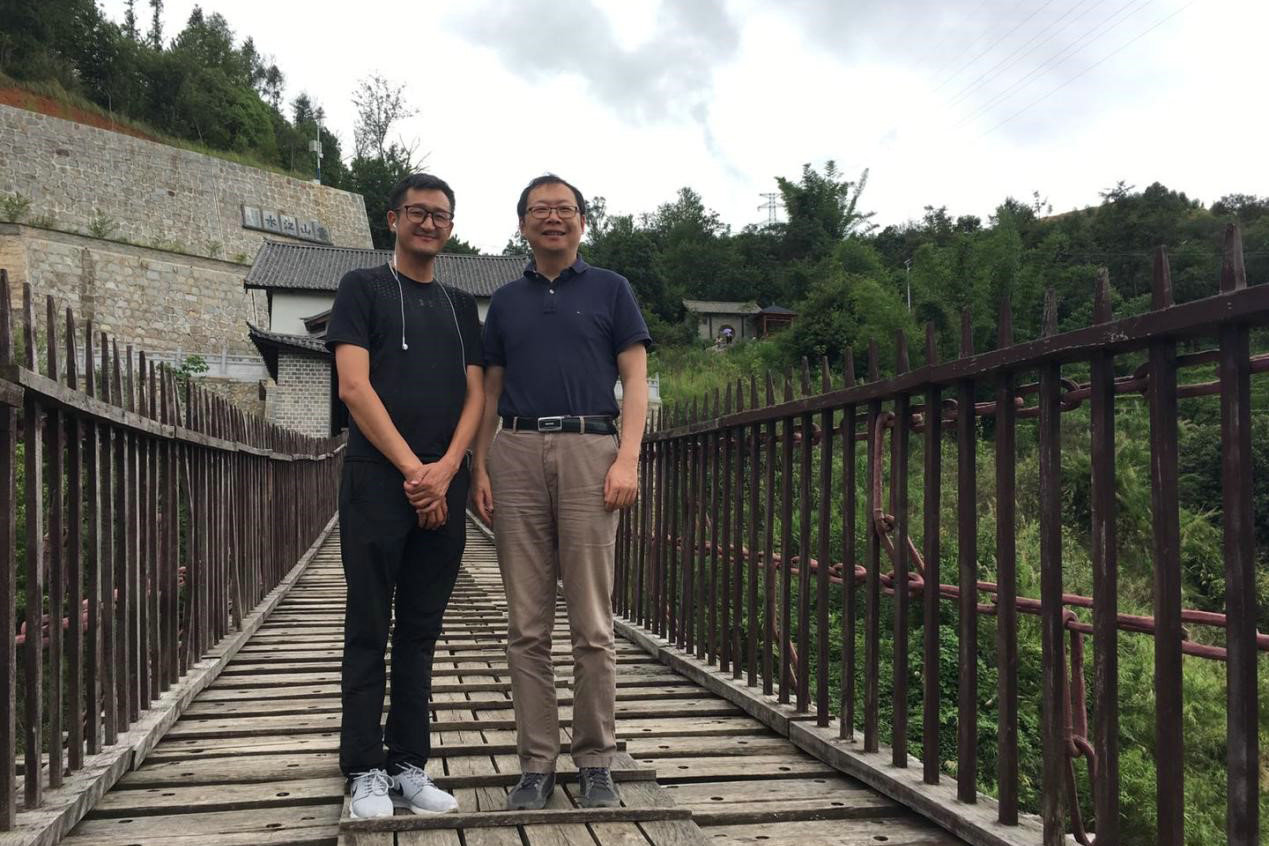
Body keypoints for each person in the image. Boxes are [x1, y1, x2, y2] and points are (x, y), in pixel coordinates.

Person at [472, 174, 650, 811]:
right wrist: (480, 467)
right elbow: (490, 392)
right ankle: (536, 764)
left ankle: (596, 758)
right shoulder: (505, 301)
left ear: (582, 221)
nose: (554, 218)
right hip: (516, 450)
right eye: (541, 209)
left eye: (565, 208)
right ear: (522, 223)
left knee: (593, 624)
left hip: (589, 449)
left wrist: (627, 458)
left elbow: (636, 380)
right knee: (525, 625)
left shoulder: (612, 289)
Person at [325, 173, 483, 819]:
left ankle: (408, 764)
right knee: (368, 623)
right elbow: (354, 387)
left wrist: (446, 470)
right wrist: (418, 473)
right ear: (393, 219)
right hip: (377, 481)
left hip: (443, 481)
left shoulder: (460, 304)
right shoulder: (361, 288)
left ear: (450, 226)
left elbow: (477, 395)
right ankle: (363, 767)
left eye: (440, 215)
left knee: (420, 630)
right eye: (417, 212)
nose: (429, 223)